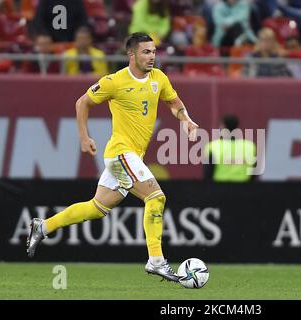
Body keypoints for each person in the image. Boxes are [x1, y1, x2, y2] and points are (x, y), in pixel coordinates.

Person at [26, 32, 199, 282]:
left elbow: (173, 101)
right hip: (120, 153)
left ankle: (43, 226)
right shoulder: (114, 81)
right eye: (145, 52)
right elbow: (82, 103)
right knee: (156, 197)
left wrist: (185, 118)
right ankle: (156, 261)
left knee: (96, 208)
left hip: (130, 158)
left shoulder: (159, 78)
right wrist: (84, 138)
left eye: (153, 52)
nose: (151, 57)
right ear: (131, 55)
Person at [203, 114, 257, 182]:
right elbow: (254, 171)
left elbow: (208, 172)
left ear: (223, 127)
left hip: (219, 188)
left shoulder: (213, 146)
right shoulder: (250, 146)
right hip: (244, 189)